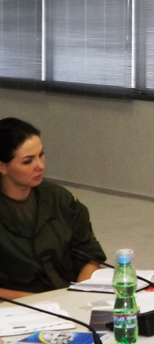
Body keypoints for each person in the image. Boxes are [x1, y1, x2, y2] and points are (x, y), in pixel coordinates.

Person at [0, 118, 105, 299]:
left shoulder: (60, 199)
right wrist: (40, 302)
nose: (40, 166)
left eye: (41, 155)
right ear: (2, 166)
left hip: (66, 300)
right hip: (16, 307)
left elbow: (90, 256)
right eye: (28, 161)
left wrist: (79, 294)